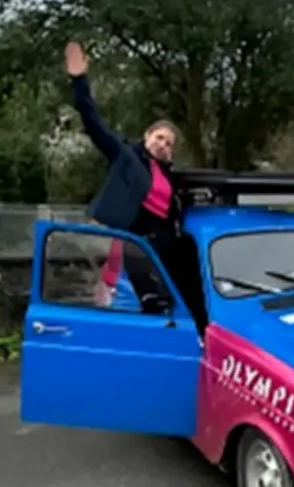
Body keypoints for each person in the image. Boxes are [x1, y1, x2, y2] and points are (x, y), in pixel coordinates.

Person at [65, 41, 207, 332]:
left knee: (188, 282)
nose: (163, 145)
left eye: (169, 143)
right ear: (147, 136)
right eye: (159, 138)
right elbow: (93, 123)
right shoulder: (127, 156)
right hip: (135, 236)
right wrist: (80, 80)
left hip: (164, 240)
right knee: (146, 298)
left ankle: (201, 332)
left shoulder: (170, 177)